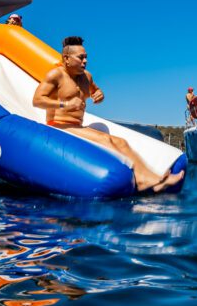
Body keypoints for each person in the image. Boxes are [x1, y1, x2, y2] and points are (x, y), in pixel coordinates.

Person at [32, 36, 184, 193]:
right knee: (110, 141)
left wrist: (99, 94)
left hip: (77, 126)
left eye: (86, 57)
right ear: (66, 58)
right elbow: (37, 100)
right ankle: (148, 180)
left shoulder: (86, 77)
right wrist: (65, 104)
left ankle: (151, 178)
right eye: (81, 57)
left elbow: (95, 90)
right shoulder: (56, 75)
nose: (85, 61)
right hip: (58, 126)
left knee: (121, 142)